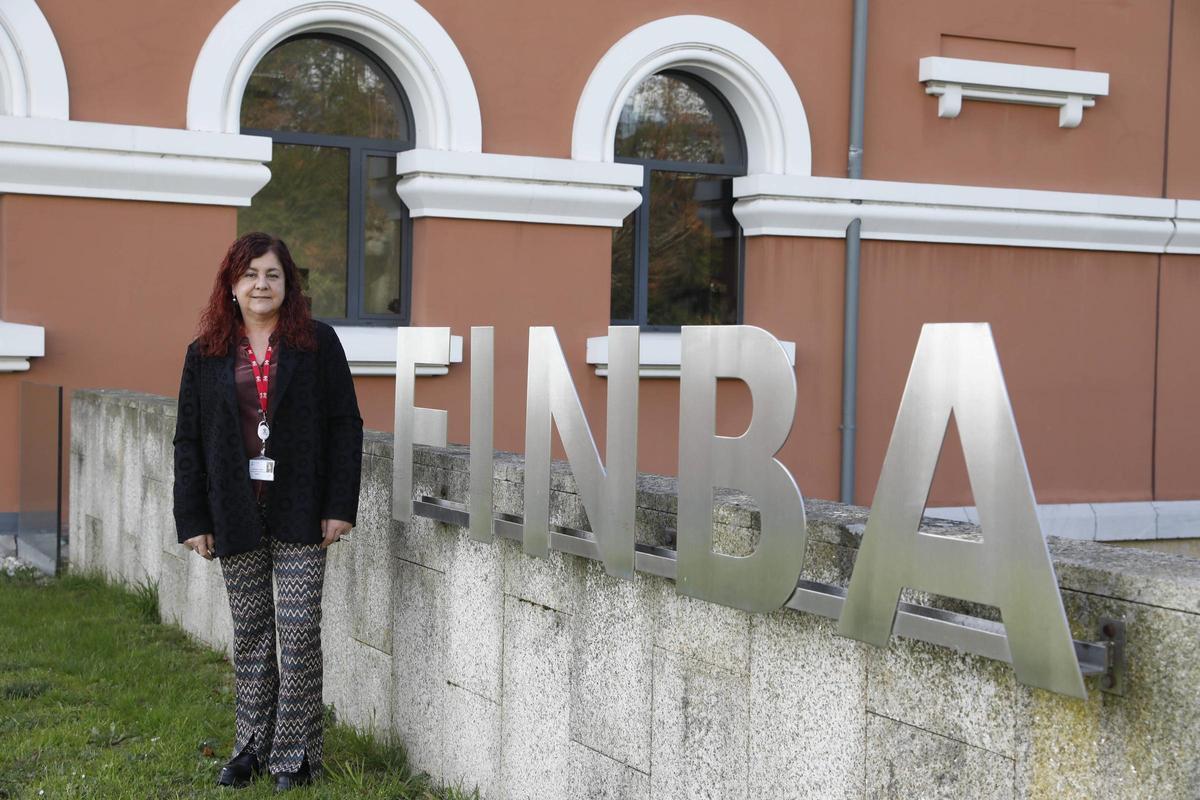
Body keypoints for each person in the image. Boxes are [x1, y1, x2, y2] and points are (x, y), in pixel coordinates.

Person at [172, 231, 363, 790]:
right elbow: (188, 440)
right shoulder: (204, 353)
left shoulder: (317, 344)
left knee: (299, 631)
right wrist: (194, 517)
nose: (261, 284)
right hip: (233, 510)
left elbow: (345, 426)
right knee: (253, 631)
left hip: (303, 509)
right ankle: (252, 746)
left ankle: (297, 755)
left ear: (289, 284)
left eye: (273, 274)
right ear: (232, 284)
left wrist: (339, 505)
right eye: (251, 274)